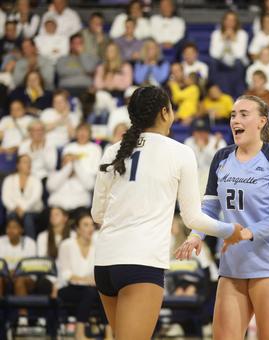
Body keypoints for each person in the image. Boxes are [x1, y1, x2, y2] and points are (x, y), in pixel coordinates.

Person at [91, 86, 245, 340]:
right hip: (141, 262)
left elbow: (98, 214)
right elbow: (192, 218)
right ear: (165, 112)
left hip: (105, 263)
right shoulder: (180, 152)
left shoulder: (113, 150)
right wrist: (231, 230)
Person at [176, 95, 269, 340]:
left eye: (244, 114)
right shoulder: (221, 157)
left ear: (262, 122)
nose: (236, 119)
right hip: (232, 265)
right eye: (233, 114)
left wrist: (249, 231)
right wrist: (195, 235)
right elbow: (209, 208)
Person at [57, 211, 113, 340]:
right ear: (77, 228)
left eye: (91, 225)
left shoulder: (97, 246)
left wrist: (93, 280)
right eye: (86, 225)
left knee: (103, 292)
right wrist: (85, 280)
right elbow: (66, 274)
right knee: (89, 292)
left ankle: (109, 335)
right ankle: (79, 333)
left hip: (91, 288)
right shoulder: (67, 245)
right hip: (68, 288)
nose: (90, 228)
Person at [1, 154, 43, 240]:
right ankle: (12, 246)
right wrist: (16, 208)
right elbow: (6, 198)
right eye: (25, 162)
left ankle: (31, 247)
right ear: (18, 165)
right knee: (12, 216)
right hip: (13, 210)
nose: (28, 164)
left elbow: (35, 198)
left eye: (29, 162)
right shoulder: (9, 180)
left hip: (33, 211)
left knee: (27, 217)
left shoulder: (36, 180)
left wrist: (23, 208)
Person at [209, 10, 248, 99]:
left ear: (236, 22)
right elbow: (214, 54)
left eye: (233, 20)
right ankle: (216, 90)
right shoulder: (216, 34)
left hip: (236, 63)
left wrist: (233, 40)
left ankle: (238, 94)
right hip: (221, 63)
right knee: (212, 62)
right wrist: (223, 39)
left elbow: (240, 55)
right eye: (228, 20)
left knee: (239, 63)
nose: (230, 23)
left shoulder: (242, 34)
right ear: (224, 21)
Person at [184, 118, 226, 196]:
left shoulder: (218, 142)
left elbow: (220, 164)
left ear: (208, 132)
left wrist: (205, 149)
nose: (201, 134)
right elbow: (191, 164)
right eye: (198, 131)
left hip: (214, 179)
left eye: (204, 131)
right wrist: (201, 149)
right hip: (195, 178)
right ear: (193, 132)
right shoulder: (189, 142)